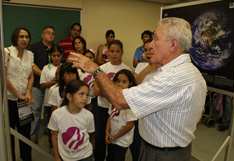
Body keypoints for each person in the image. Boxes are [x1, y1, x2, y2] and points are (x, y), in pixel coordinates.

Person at [70, 17, 207, 161]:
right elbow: (199, 114)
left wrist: (95, 69)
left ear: (173, 44)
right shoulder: (192, 73)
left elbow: (120, 100)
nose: (151, 45)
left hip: (162, 154)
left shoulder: (173, 78)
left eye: (155, 39)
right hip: (173, 149)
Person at [93, 40, 131, 161]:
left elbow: (127, 92)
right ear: (107, 52)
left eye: (117, 51)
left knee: (113, 138)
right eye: (112, 51)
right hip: (102, 108)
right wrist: (113, 95)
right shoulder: (101, 68)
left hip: (118, 111)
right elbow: (96, 90)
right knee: (99, 137)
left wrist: (109, 94)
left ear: (122, 53)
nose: (115, 54)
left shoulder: (126, 69)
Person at [5, 26, 34, 161]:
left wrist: (28, 92)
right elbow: (3, 77)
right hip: (9, 99)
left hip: (24, 100)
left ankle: (26, 158)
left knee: (25, 134)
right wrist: (18, 94)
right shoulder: (7, 52)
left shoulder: (30, 54)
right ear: (15, 38)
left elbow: (31, 76)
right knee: (9, 133)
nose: (24, 39)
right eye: (21, 36)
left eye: (26, 37)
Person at [48, 80, 95, 161]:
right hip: (66, 157)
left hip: (85, 156)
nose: (85, 98)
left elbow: (90, 133)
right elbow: (54, 135)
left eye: (87, 95)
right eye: (81, 94)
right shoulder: (57, 114)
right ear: (69, 96)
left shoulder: (89, 115)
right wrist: (57, 156)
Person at [29, 26, 56, 143]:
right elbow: (30, 63)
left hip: (54, 85)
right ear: (42, 35)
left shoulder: (56, 48)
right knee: (36, 109)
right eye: (48, 33)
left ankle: (47, 128)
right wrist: (44, 76)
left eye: (53, 33)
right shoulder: (34, 47)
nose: (50, 35)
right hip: (37, 84)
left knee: (50, 108)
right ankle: (33, 134)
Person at [106, 69, 137, 161]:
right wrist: (107, 132)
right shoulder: (114, 98)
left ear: (130, 84)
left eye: (124, 82)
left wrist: (116, 136)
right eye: (118, 81)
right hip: (112, 137)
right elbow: (110, 116)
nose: (120, 84)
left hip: (122, 140)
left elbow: (130, 125)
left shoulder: (130, 102)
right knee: (110, 157)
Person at [39, 46, 63, 154]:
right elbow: (43, 85)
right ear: (50, 56)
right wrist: (54, 82)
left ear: (61, 56)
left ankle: (62, 146)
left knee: (63, 125)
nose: (56, 58)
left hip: (63, 101)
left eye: (58, 55)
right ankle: (52, 145)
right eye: (54, 55)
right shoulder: (46, 68)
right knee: (51, 125)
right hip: (49, 102)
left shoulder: (65, 67)